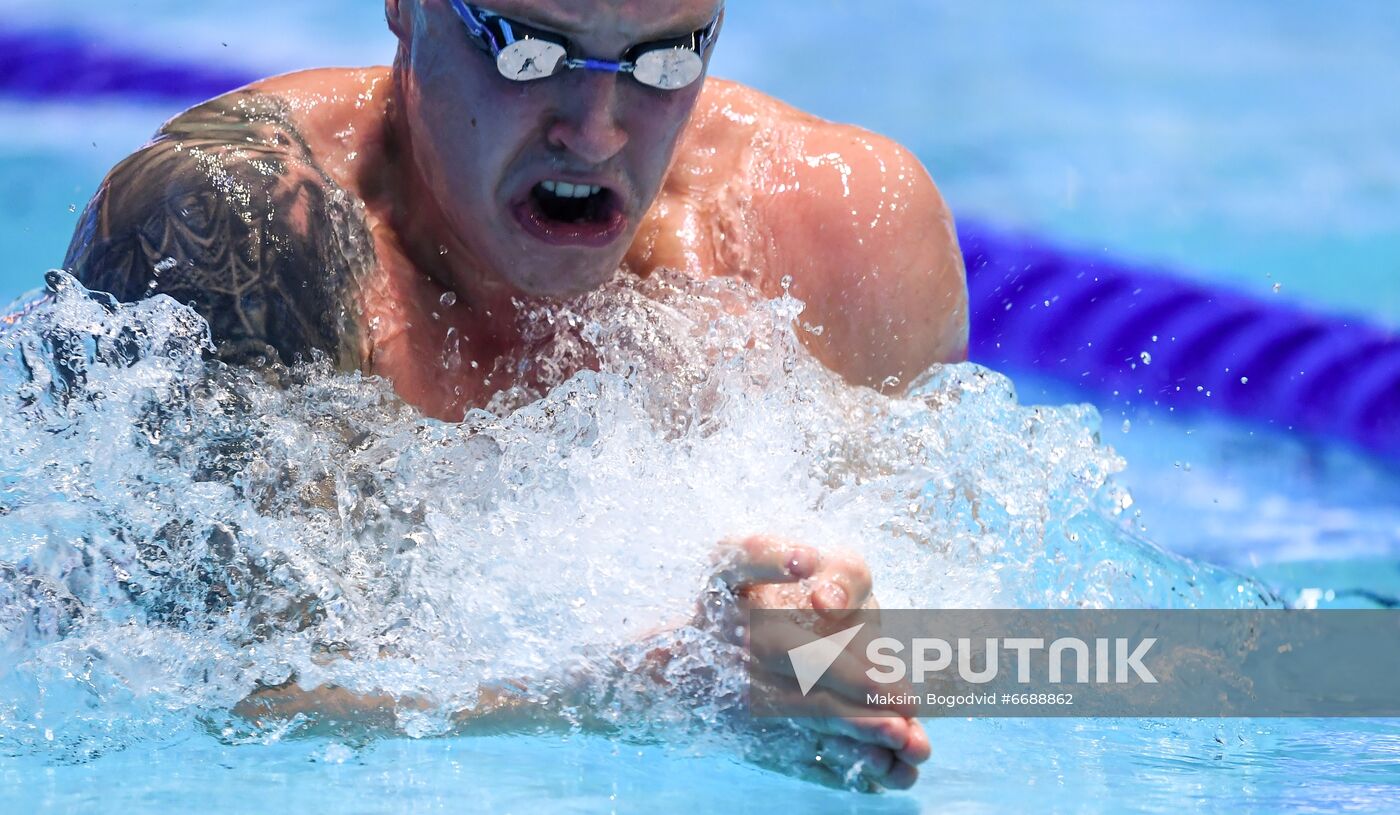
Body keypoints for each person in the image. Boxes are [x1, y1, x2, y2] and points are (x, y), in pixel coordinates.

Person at [64, 0, 965, 791]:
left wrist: (833, 656)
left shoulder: (841, 238)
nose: (596, 131)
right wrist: (648, 686)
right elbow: (206, 701)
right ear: (405, 6)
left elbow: (969, 651)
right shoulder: (234, 230)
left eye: (668, 58)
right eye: (526, 49)